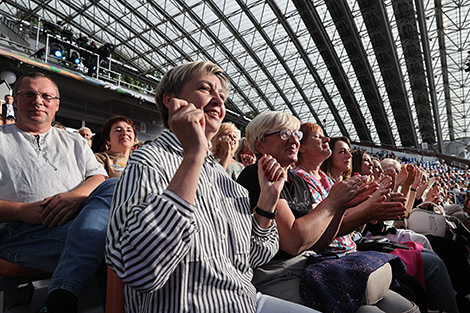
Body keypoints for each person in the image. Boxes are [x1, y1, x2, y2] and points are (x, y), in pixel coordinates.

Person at [106, 61, 320, 313]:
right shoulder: (149, 161)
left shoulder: (225, 179)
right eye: (206, 89)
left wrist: (267, 203)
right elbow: (140, 270)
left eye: (222, 95)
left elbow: (251, 258)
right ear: (170, 99)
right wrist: (193, 154)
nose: (218, 100)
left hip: (245, 302)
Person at [237, 113, 417, 312]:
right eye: (283, 134)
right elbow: (293, 242)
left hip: (309, 265)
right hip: (276, 274)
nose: (293, 140)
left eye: (296, 134)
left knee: (406, 307)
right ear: (260, 145)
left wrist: (341, 207)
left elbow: (318, 241)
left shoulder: (297, 182)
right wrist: (334, 202)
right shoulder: (257, 174)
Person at [0, 72, 117, 313]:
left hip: (75, 222)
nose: (38, 101)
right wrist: (21, 212)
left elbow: (98, 176)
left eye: (46, 96)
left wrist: (75, 198)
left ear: (56, 105)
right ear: (15, 99)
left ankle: (60, 300)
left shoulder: (74, 141)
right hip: (17, 233)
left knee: (114, 186)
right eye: (29, 94)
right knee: (114, 244)